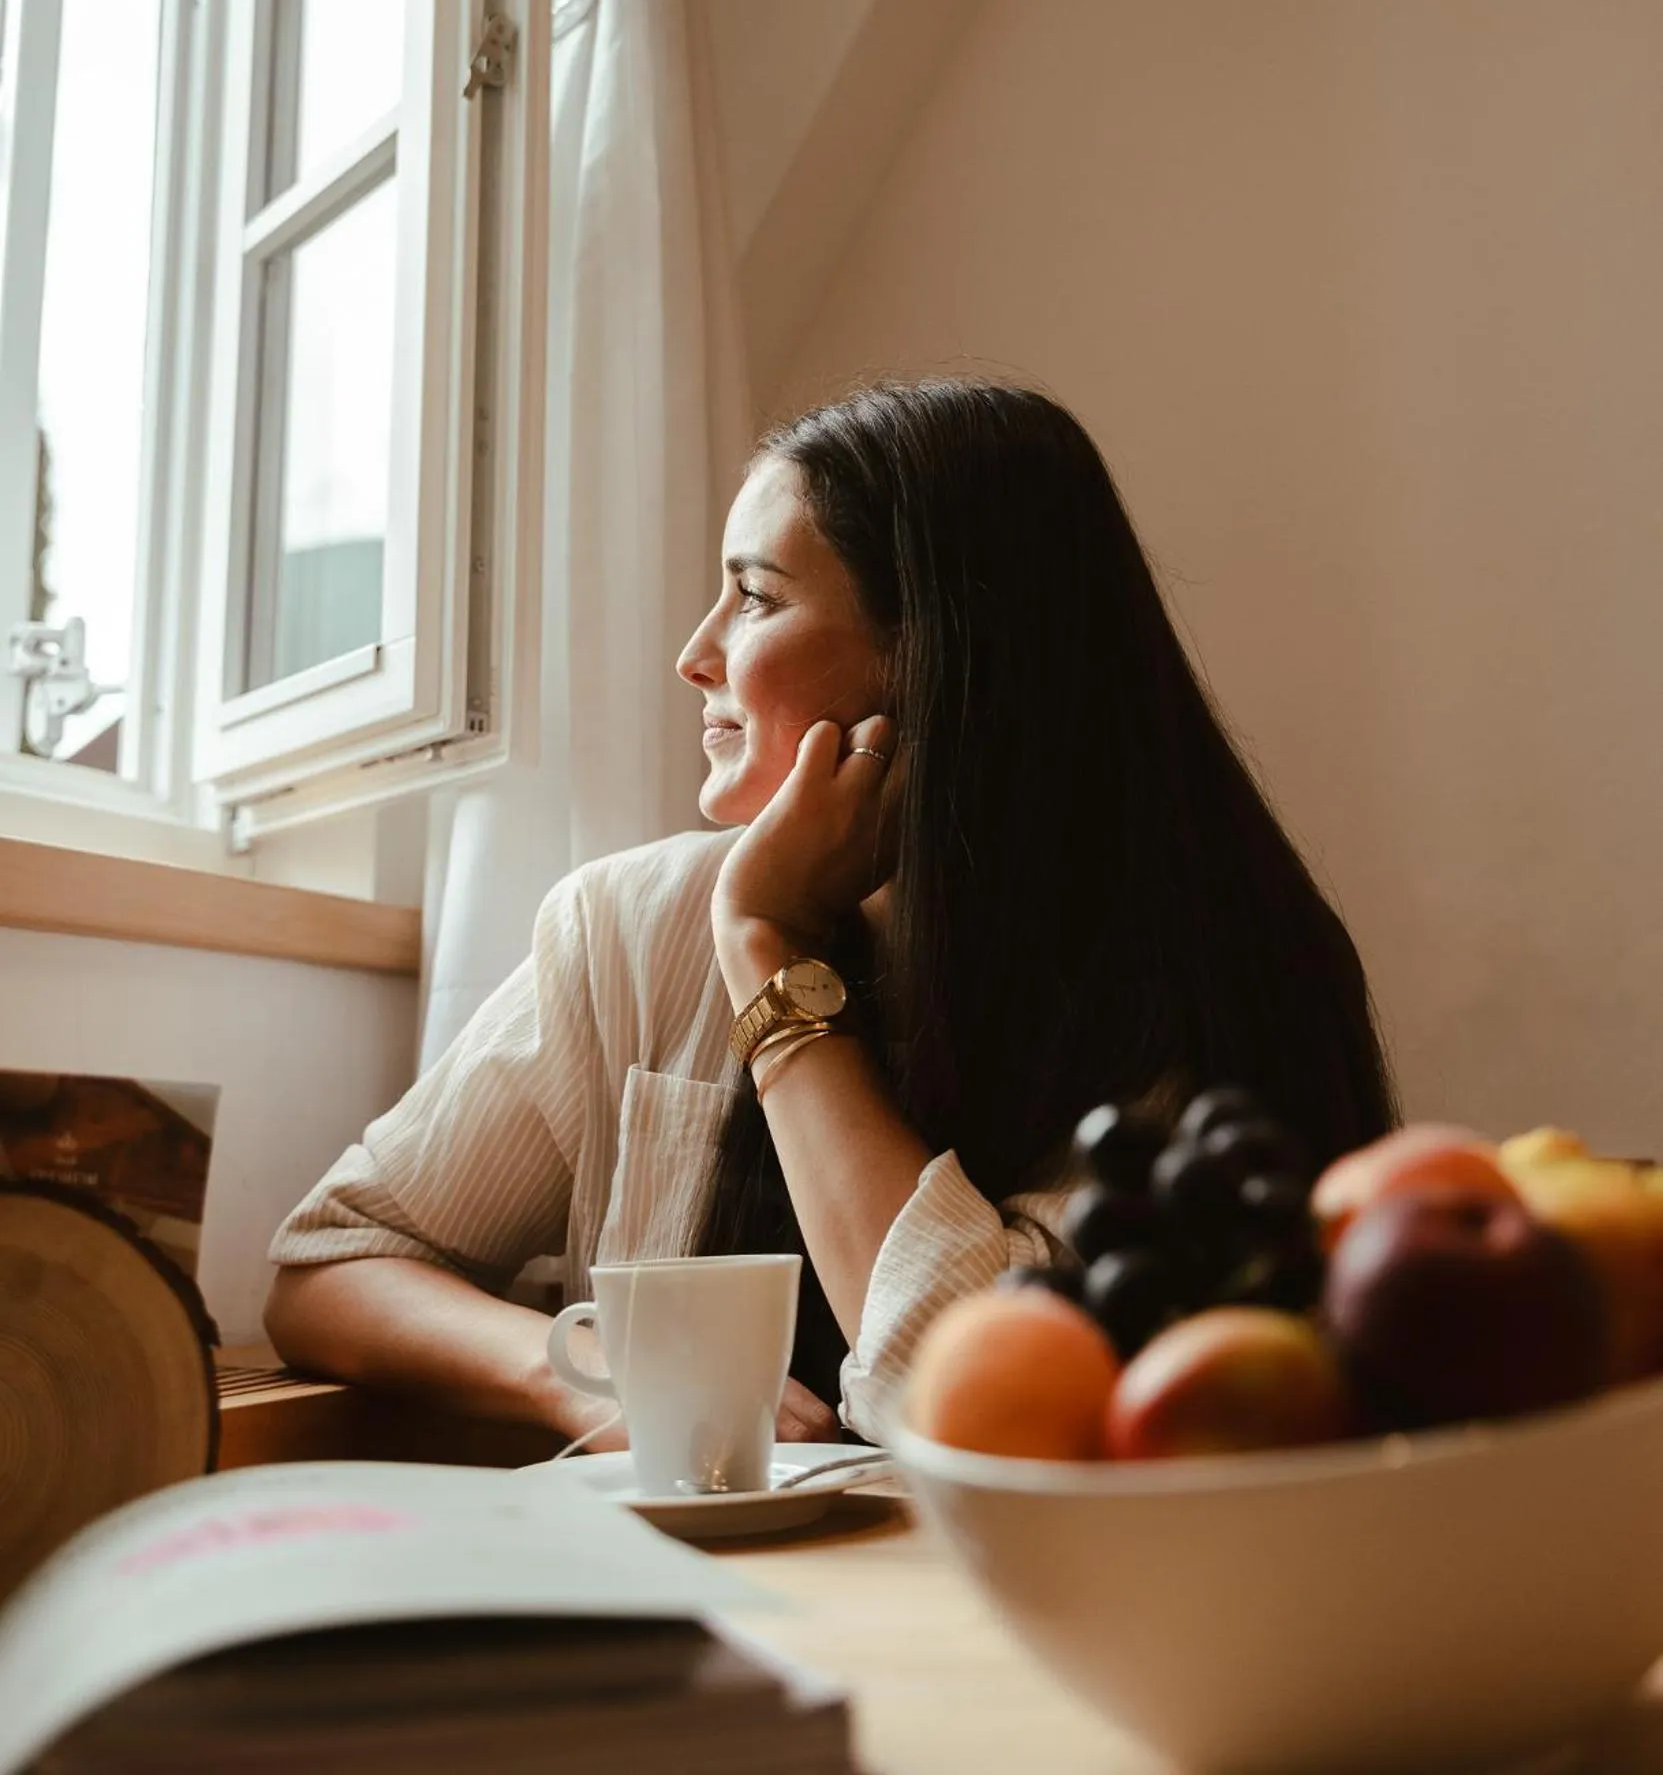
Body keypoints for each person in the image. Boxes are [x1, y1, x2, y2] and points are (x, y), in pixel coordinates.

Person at [265, 378, 1397, 1446]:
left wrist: (770, 953)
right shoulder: (631, 926)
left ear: (940, 658)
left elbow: (956, 1396)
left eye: (754, 596)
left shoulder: (1207, 985)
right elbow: (330, 1262)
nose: (693, 654)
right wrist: (603, 1371)